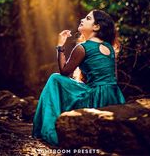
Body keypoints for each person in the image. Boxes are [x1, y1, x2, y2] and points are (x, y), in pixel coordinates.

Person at [32, 9, 126, 146]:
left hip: (95, 98)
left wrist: (60, 46)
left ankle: (47, 127)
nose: (82, 19)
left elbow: (64, 72)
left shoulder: (82, 48)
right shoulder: (109, 48)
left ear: (96, 27)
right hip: (114, 96)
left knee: (55, 79)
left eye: (88, 18)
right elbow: (113, 78)